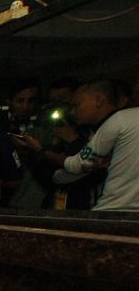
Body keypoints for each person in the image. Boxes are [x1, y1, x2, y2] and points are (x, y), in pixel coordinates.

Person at [54, 79, 139, 212]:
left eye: (77, 105)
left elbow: (77, 165)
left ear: (99, 100)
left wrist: (41, 151)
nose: (72, 112)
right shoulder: (121, 121)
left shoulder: (120, 120)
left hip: (113, 210)